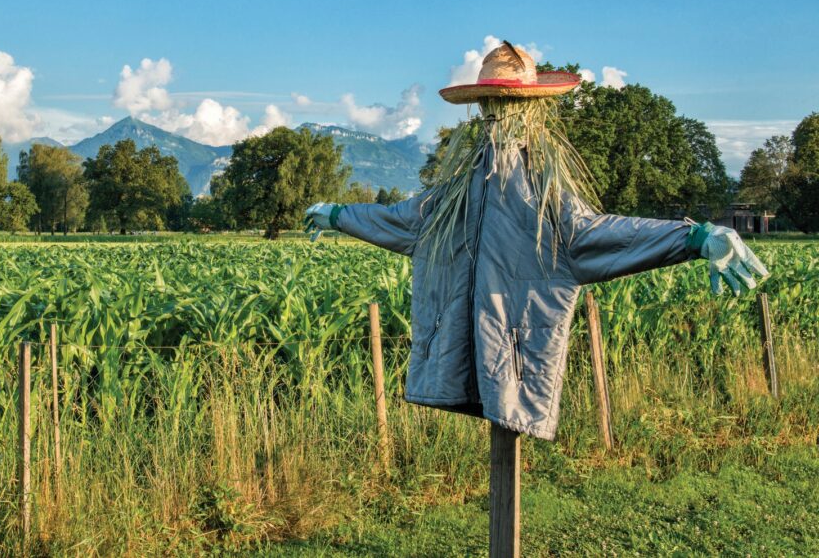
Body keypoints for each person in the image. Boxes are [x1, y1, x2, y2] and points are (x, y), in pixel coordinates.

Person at [303, 42, 768, 440]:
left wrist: (695, 237)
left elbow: (605, 236)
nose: (496, 117)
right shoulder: (455, 196)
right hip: (457, 364)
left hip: (519, 369)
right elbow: (400, 221)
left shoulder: (544, 202)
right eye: (490, 106)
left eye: (505, 105)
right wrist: (339, 215)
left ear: (530, 111)